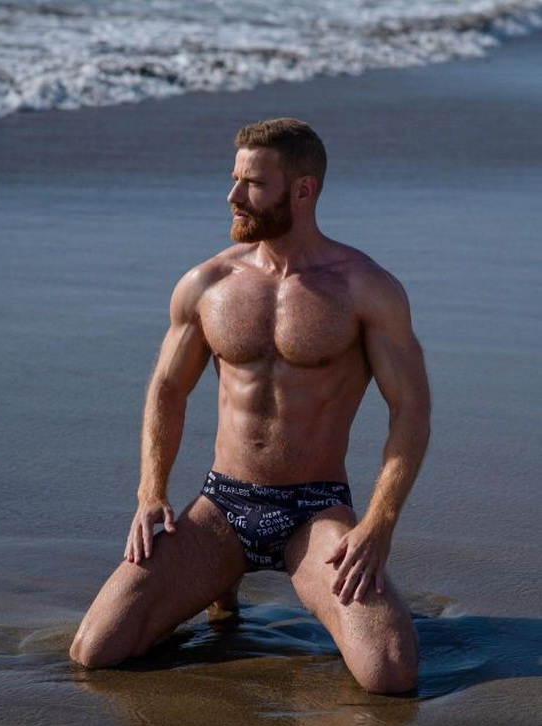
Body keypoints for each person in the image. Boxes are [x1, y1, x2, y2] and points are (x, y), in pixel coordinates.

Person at [70, 118, 431, 694]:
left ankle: (310, 591)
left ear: (303, 190)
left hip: (314, 511)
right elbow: (167, 389)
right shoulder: (208, 282)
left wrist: (377, 527)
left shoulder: (364, 288)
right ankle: (215, 579)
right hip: (222, 505)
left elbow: (410, 409)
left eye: (254, 183)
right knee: (95, 651)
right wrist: (150, 493)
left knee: (390, 673)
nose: (233, 195)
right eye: (234, 178)